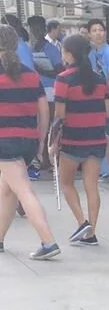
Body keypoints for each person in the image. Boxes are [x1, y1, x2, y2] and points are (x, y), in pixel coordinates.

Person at [0, 25, 59, 260]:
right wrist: (41, 140)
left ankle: (48, 241)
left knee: (23, 190)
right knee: (7, 191)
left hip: (4, 140)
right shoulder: (30, 74)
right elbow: (43, 111)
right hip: (27, 139)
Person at [50, 34, 109, 246]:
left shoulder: (63, 79)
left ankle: (82, 221)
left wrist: (53, 141)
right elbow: (107, 112)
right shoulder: (100, 79)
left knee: (66, 182)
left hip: (73, 139)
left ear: (69, 54)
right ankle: (91, 232)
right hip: (96, 138)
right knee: (91, 186)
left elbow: (59, 114)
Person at [86, 19, 109, 184]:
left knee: (107, 135)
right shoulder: (91, 53)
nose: (98, 33)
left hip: (107, 98)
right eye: (94, 30)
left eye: (100, 30)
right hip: (94, 98)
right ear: (89, 34)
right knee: (99, 135)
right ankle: (104, 170)